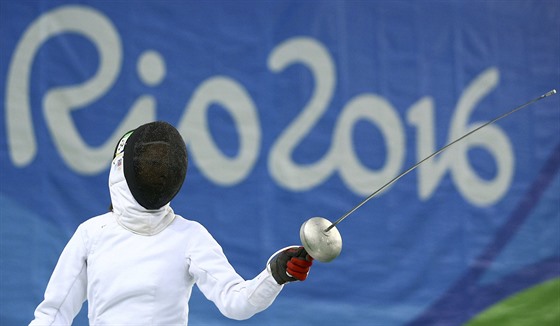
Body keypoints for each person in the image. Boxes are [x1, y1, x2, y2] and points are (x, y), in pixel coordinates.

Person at [30, 121, 313, 325]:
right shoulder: (92, 234)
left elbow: (236, 302)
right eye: (149, 162)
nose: (157, 169)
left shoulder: (189, 236)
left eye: (161, 163)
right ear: (122, 169)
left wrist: (274, 275)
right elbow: (52, 315)